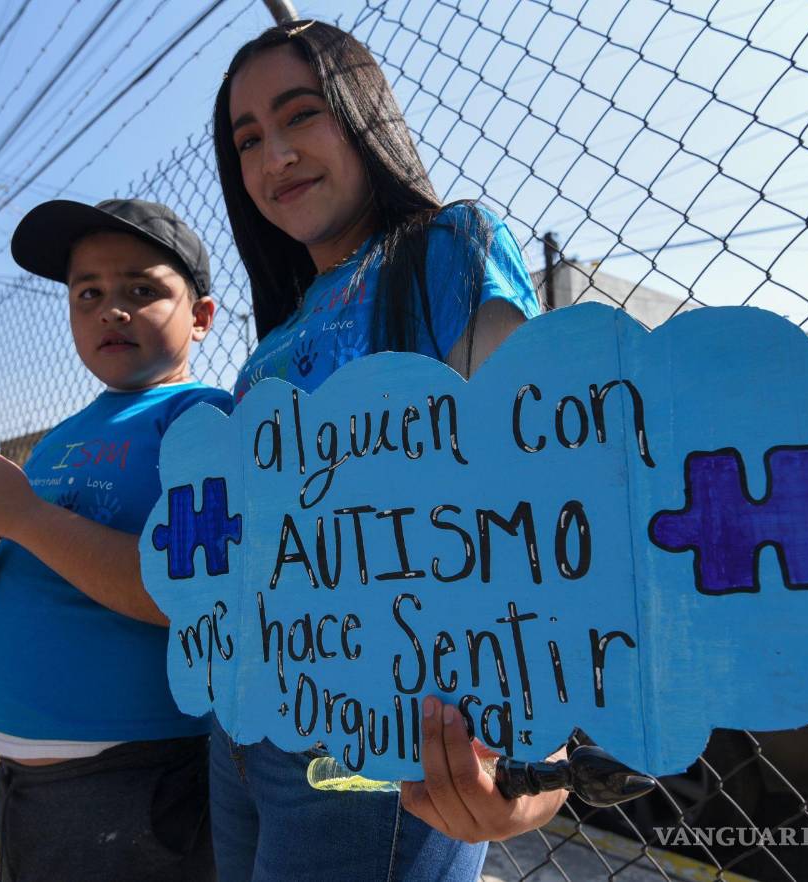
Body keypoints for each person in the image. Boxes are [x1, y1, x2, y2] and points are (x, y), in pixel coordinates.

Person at [208, 20, 567, 879]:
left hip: (388, 728)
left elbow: (539, 492)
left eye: (303, 116)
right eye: (248, 139)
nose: (275, 157)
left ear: (365, 117)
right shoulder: (272, 340)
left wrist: (536, 748)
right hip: (244, 724)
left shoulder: (448, 248)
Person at [0, 198, 230, 882]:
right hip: (28, 787)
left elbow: (189, 594)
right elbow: (40, 569)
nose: (109, 309)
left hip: (139, 778)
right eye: (87, 292)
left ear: (202, 317)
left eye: (141, 290)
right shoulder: (64, 434)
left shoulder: (201, 418)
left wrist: (24, 514)